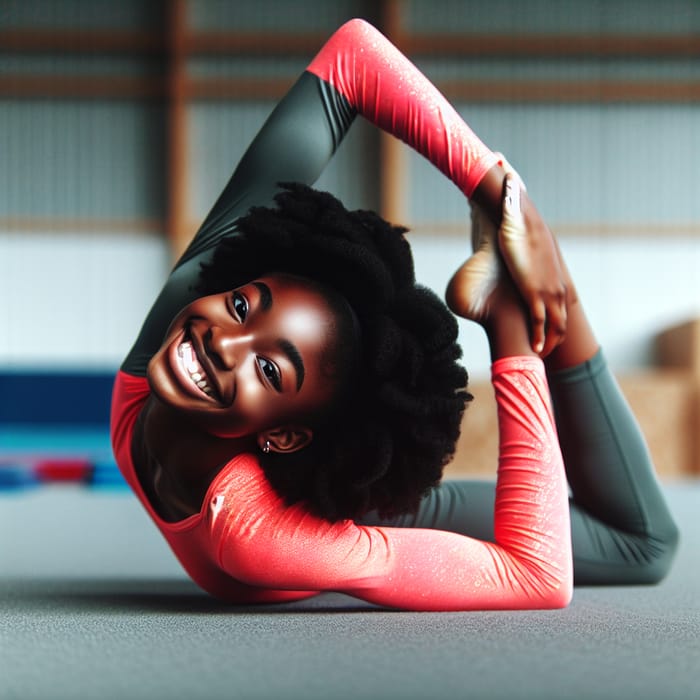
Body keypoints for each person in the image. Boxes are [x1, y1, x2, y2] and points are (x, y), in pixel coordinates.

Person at [111, 19, 678, 610]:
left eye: (271, 370)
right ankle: (535, 262)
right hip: (305, 499)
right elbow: (352, 54)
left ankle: (537, 275)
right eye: (240, 304)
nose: (222, 342)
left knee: (645, 546)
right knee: (646, 545)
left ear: (282, 433)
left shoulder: (256, 534)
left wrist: (508, 324)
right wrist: (495, 191)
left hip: (314, 502)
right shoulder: (184, 314)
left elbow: (538, 577)